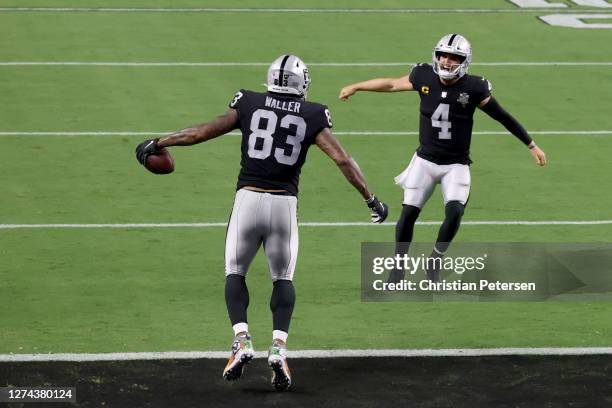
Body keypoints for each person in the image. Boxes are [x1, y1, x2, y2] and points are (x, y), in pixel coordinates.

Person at [135, 54, 388, 391]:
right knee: (283, 278)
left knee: (235, 271)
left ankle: (241, 340)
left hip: (248, 200)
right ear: (301, 84)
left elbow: (200, 133)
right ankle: (279, 347)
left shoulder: (250, 102)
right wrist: (371, 199)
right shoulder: (313, 114)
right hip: (284, 205)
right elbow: (342, 158)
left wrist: (159, 142)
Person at [339, 34, 546, 282]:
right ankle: (399, 266)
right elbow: (392, 84)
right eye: (443, 55)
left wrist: (531, 144)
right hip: (425, 161)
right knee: (408, 214)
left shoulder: (474, 87)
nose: (447, 62)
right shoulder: (424, 75)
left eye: (454, 57)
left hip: (456, 164)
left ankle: (436, 258)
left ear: (465, 61)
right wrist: (357, 86)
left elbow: (501, 116)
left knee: (455, 212)